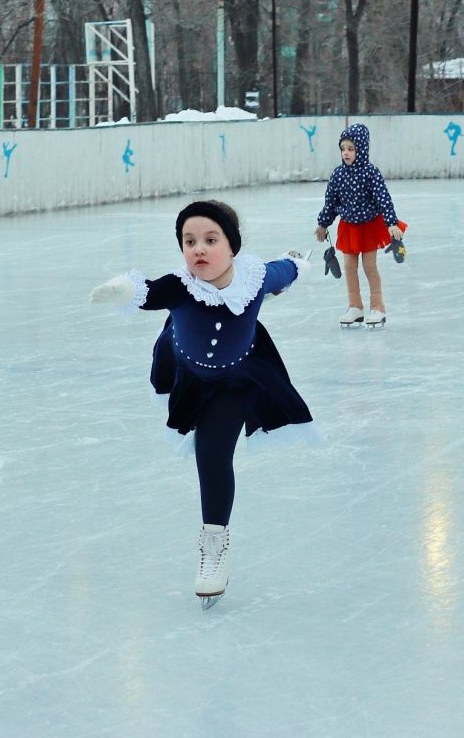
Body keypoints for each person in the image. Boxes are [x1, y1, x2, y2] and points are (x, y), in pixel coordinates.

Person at [90, 201, 314, 608]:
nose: (198, 249)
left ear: (232, 247)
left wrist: (296, 262)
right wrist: (121, 289)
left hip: (236, 379)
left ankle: (214, 546)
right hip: (190, 375)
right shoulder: (181, 285)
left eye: (210, 240)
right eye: (189, 241)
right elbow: (150, 292)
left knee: (211, 458)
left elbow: (284, 272)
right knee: (200, 439)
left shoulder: (254, 277)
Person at [314, 123, 407, 328]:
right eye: (343, 149)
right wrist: (323, 224)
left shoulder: (370, 172)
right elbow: (331, 203)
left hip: (368, 226)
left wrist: (391, 223)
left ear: (361, 149)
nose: (345, 153)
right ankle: (355, 306)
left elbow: (384, 199)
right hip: (348, 227)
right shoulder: (338, 174)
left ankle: (377, 306)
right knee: (349, 267)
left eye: (351, 149)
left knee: (369, 266)